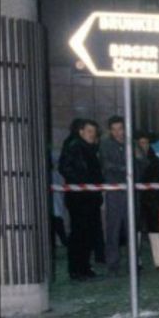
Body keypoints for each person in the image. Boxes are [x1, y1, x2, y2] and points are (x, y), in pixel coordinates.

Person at [58, 118, 103, 281]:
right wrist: (83, 183)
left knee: (86, 233)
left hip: (87, 197)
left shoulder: (86, 147)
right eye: (90, 131)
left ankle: (83, 267)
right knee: (80, 233)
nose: (93, 135)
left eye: (94, 132)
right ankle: (77, 269)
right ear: (81, 131)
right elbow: (65, 168)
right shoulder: (75, 146)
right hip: (80, 197)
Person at [99, 115, 137, 276]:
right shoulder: (106, 145)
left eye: (120, 129)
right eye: (114, 129)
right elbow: (106, 165)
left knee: (132, 229)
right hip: (114, 191)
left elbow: (141, 162)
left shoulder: (132, 144)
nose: (117, 132)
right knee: (113, 228)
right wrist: (125, 168)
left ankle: (133, 263)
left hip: (131, 190)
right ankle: (113, 265)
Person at [134, 132, 159, 271]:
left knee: (155, 228)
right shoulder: (133, 159)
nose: (145, 145)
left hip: (152, 198)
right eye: (142, 143)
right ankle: (135, 261)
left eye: (146, 143)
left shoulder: (155, 159)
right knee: (135, 229)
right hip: (137, 198)